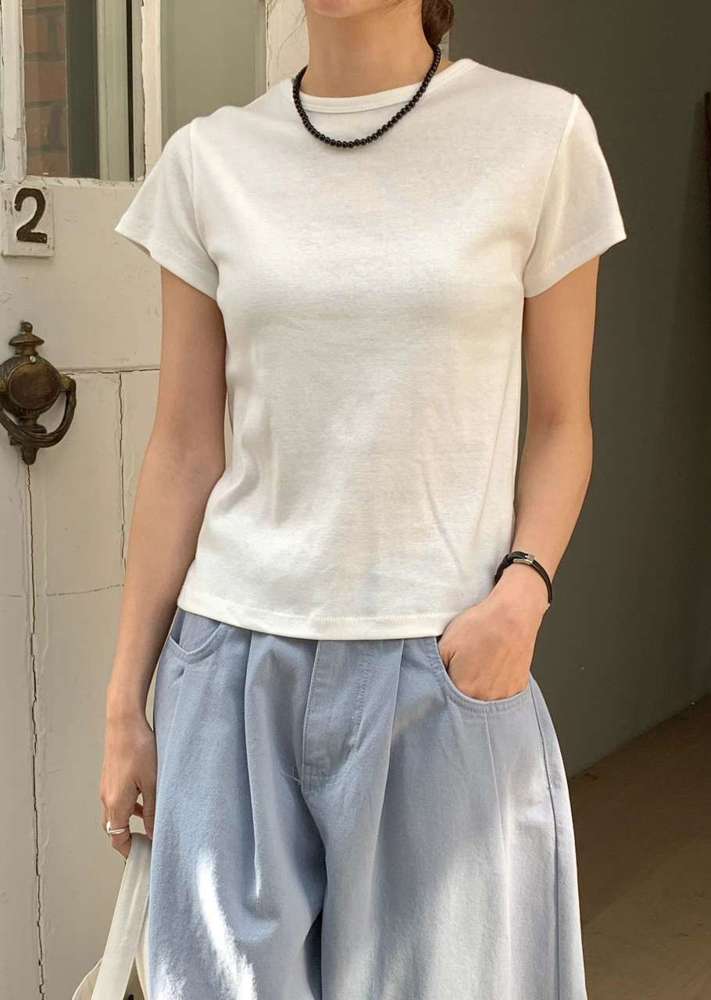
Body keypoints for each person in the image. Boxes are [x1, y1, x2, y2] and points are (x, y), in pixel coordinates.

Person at [101, 1, 627, 996]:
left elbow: (564, 423)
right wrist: (125, 704)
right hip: (231, 669)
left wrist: (523, 593)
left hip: (443, 668)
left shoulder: (539, 135)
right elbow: (181, 448)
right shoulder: (210, 160)